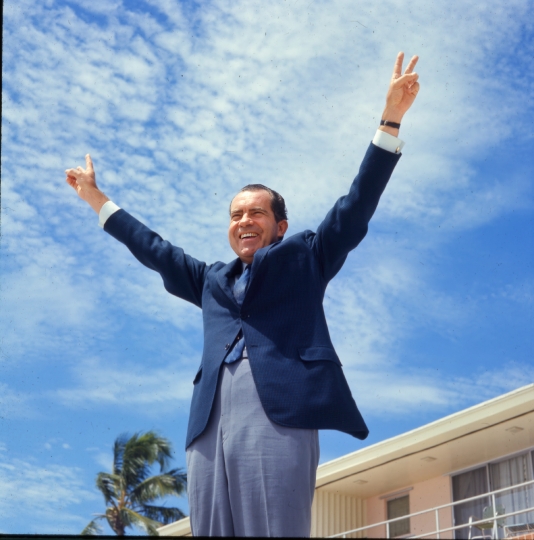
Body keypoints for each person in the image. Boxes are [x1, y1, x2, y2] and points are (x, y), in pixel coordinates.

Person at [66, 52, 420, 537]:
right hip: (208, 421)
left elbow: (356, 206)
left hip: (276, 408)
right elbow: (155, 250)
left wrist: (390, 119)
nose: (243, 222)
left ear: (280, 227)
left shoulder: (305, 258)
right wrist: (96, 199)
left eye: (255, 213)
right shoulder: (211, 279)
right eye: (235, 215)